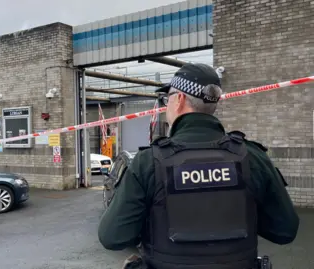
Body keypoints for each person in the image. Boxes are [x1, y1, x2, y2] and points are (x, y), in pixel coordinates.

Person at [97, 63, 299, 269]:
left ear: (180, 99)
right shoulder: (252, 157)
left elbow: (112, 237)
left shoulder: (148, 162)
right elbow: (284, 231)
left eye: (168, 99)